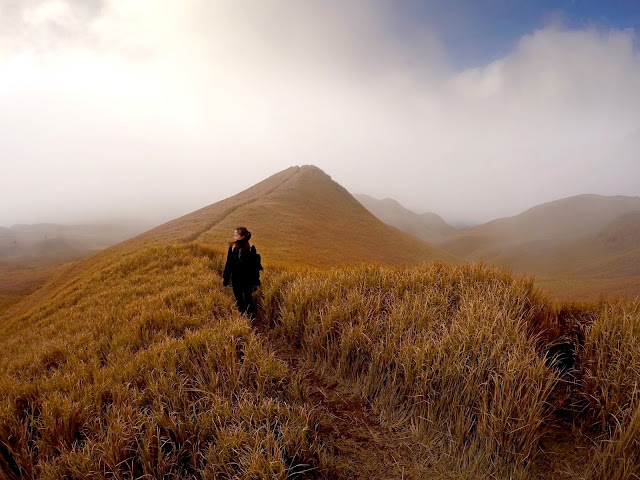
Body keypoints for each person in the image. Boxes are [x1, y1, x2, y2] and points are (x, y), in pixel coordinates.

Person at [222, 227, 262, 318]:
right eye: (234, 235)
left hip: (248, 278)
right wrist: (226, 277)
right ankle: (242, 314)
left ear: (243, 236)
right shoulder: (232, 247)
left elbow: (255, 266)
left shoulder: (251, 248)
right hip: (236, 277)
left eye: (236, 235)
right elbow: (229, 263)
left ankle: (249, 315)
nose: (234, 237)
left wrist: (255, 281)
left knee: (248, 297)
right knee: (238, 297)